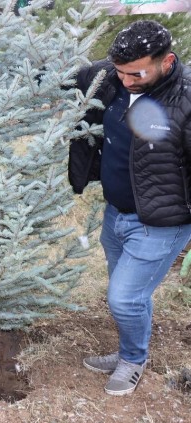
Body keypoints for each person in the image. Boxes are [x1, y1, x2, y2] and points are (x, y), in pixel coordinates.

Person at [69, 20, 191, 396]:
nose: (125, 81)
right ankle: (129, 350)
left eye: (136, 73)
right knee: (129, 295)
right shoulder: (110, 76)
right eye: (120, 72)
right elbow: (59, 76)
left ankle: (133, 361)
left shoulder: (185, 100)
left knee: (124, 298)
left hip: (161, 223)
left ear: (166, 61)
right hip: (116, 213)